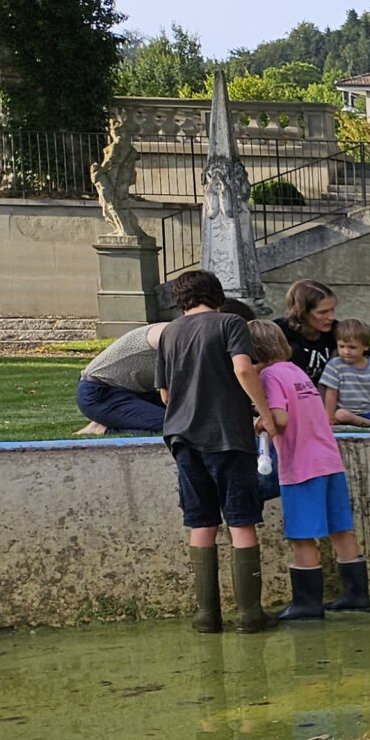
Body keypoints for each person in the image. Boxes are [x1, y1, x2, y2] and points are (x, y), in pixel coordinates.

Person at [156, 268, 280, 633]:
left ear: (180, 301)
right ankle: (249, 615)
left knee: (200, 521)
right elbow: (243, 369)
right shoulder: (229, 323)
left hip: (181, 437)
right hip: (228, 436)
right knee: (240, 520)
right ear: (217, 295)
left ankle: (206, 615)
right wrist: (265, 413)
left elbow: (164, 394)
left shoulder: (168, 333)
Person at [247, 320, 370, 618]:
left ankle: (306, 603)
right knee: (340, 528)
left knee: (301, 534)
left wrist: (257, 423)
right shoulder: (295, 371)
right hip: (328, 460)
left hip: (300, 465)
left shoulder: (269, 377)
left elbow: (280, 418)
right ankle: (356, 595)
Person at [322, 319, 370, 427]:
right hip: (347, 413)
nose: (346, 352)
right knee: (340, 414)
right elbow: (331, 393)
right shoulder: (335, 365)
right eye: (342, 346)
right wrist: (329, 418)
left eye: (352, 347)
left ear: (366, 347)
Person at [274, 279, 340, 385]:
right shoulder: (278, 332)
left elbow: (368, 359)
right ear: (302, 312)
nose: (331, 317)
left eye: (332, 309)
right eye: (322, 312)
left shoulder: (338, 330)